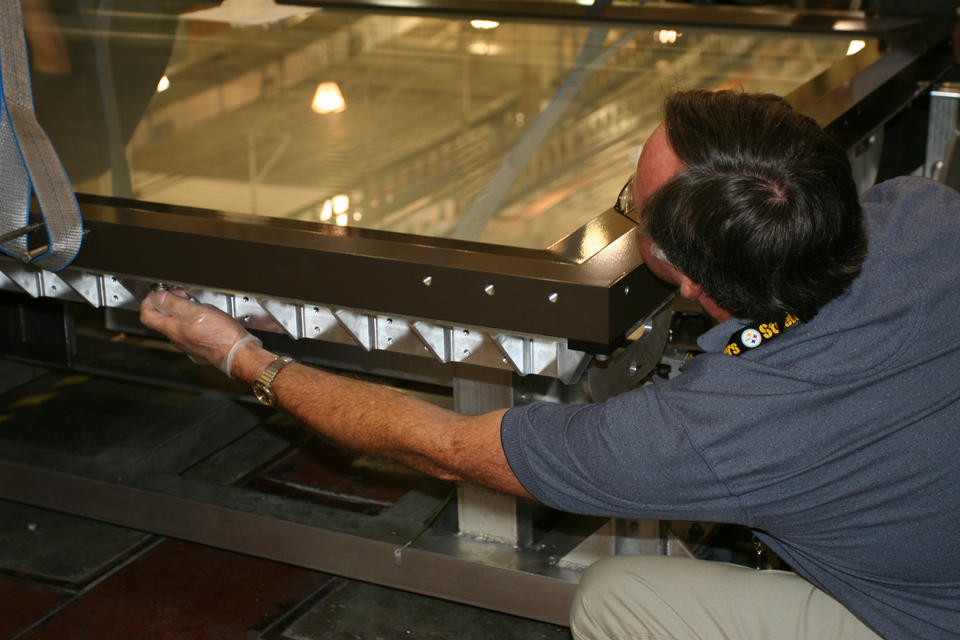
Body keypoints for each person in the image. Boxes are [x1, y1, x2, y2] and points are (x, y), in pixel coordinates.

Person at [140, 90, 960, 639]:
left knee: (614, 599)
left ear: (689, 278)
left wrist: (247, 359)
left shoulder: (702, 434)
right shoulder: (927, 210)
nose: (626, 210)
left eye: (632, 208)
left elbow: (444, 445)